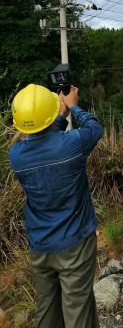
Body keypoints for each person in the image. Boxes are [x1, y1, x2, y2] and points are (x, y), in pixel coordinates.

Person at [9, 83, 103, 328]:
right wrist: (74, 107)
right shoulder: (73, 144)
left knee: (47, 313)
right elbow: (94, 128)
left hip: (41, 247)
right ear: (49, 115)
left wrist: (59, 117)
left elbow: (46, 145)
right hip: (75, 243)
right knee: (77, 311)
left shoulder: (16, 156)